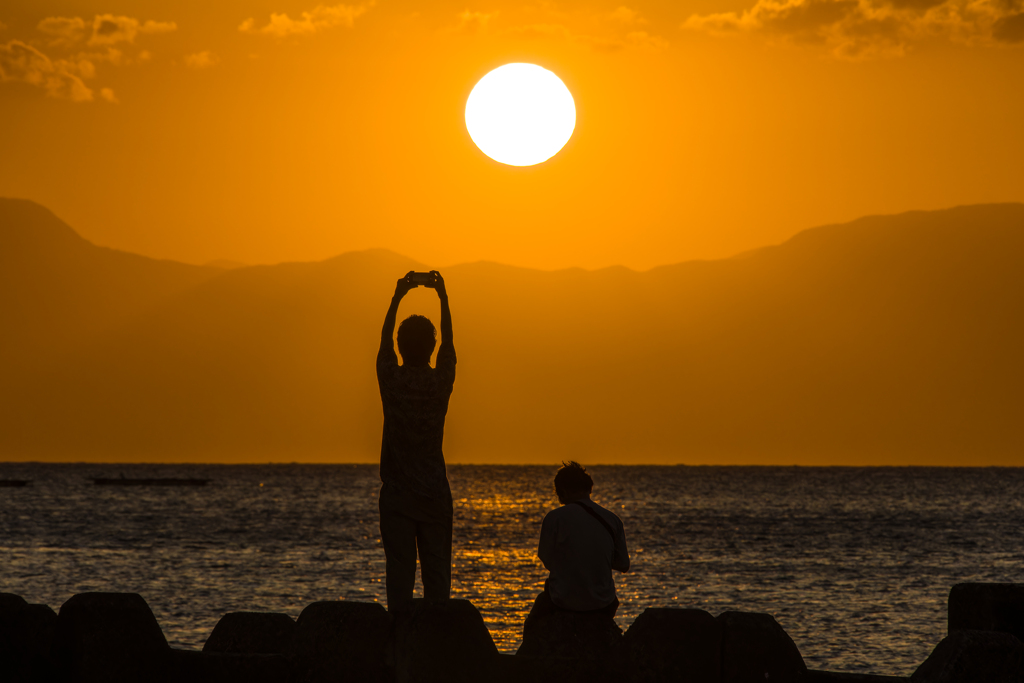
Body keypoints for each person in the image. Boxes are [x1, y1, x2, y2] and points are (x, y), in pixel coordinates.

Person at [376, 270, 457, 611]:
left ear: (400, 347)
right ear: (432, 347)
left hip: (397, 495)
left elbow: (383, 343)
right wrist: (443, 297)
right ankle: (436, 637)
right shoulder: (440, 382)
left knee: (399, 577)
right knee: (437, 579)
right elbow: (449, 347)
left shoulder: (391, 378)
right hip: (434, 494)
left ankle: (399, 633)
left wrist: (397, 297)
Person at [525, 461, 630, 633]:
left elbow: (547, 559)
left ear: (563, 491)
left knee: (532, 624)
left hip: (563, 601)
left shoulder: (554, 518)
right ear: (589, 488)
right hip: (603, 603)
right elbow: (624, 565)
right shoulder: (613, 520)